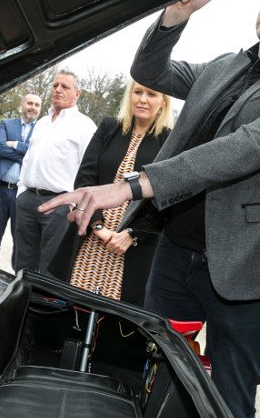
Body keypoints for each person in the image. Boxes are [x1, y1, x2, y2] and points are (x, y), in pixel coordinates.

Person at [41, 0, 260, 418]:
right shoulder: (224, 65)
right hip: (177, 255)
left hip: (246, 271)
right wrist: (176, 14)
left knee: (228, 407)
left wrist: (131, 186)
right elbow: (149, 70)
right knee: (152, 376)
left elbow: (243, 149)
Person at [50, 80, 173, 305]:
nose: (143, 99)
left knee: (115, 319)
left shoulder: (170, 141)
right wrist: (98, 227)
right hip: (91, 235)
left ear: (163, 102)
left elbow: (167, 196)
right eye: (137, 92)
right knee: (72, 307)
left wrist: (132, 234)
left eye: (151, 94)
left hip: (131, 246)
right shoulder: (109, 127)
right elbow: (85, 179)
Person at [14, 72, 96, 275]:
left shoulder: (85, 126)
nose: (58, 89)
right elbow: (28, 159)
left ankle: (42, 306)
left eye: (65, 87)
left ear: (77, 93)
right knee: (22, 264)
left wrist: (74, 204)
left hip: (60, 206)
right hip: (28, 201)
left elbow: (91, 170)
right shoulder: (41, 122)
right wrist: (21, 192)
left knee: (50, 269)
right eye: (55, 85)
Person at [0, 93, 42, 267]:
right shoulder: (6, 123)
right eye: (30, 103)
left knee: (20, 240)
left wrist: (14, 144)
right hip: (0, 189)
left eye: (37, 105)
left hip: (23, 193)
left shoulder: (42, 130)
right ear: (22, 104)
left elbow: (37, 155)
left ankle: (16, 281)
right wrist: (25, 152)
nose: (33, 107)